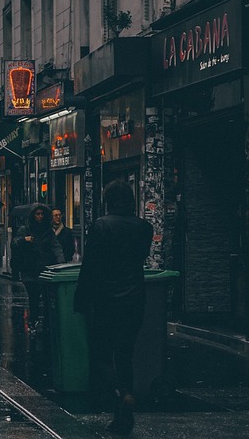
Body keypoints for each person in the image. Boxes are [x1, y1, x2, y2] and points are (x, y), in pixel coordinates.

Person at [76, 181, 153, 436]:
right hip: (134, 299)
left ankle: (119, 395)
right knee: (124, 353)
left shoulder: (101, 225)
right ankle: (127, 398)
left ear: (108, 200)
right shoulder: (144, 227)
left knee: (101, 354)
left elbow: (91, 265)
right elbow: (138, 258)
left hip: (106, 300)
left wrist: (82, 298)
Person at [16, 205, 63, 333]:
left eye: (42, 214)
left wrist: (60, 263)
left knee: (46, 297)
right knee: (34, 297)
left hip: (44, 269)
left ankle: (44, 323)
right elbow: (14, 244)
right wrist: (24, 240)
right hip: (29, 269)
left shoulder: (48, 231)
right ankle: (33, 321)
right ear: (33, 216)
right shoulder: (25, 230)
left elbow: (56, 247)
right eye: (37, 214)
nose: (40, 216)